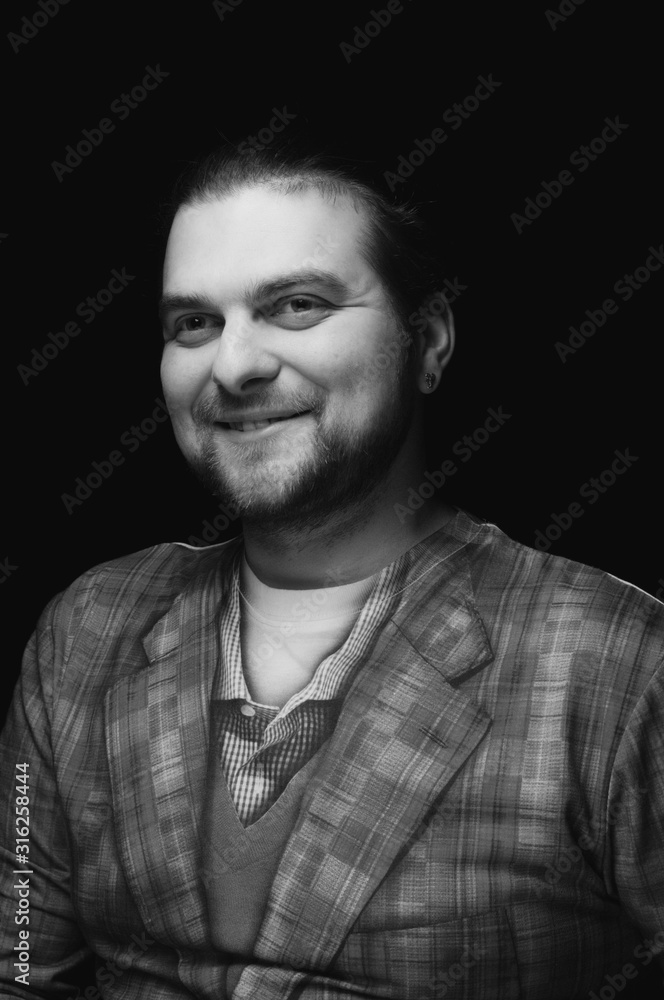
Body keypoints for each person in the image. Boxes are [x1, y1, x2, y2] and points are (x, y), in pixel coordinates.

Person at [1, 141, 663, 1000]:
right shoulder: (89, 629)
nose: (234, 365)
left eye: (297, 305)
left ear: (426, 342)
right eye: (194, 323)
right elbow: (17, 966)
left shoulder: (612, 663)